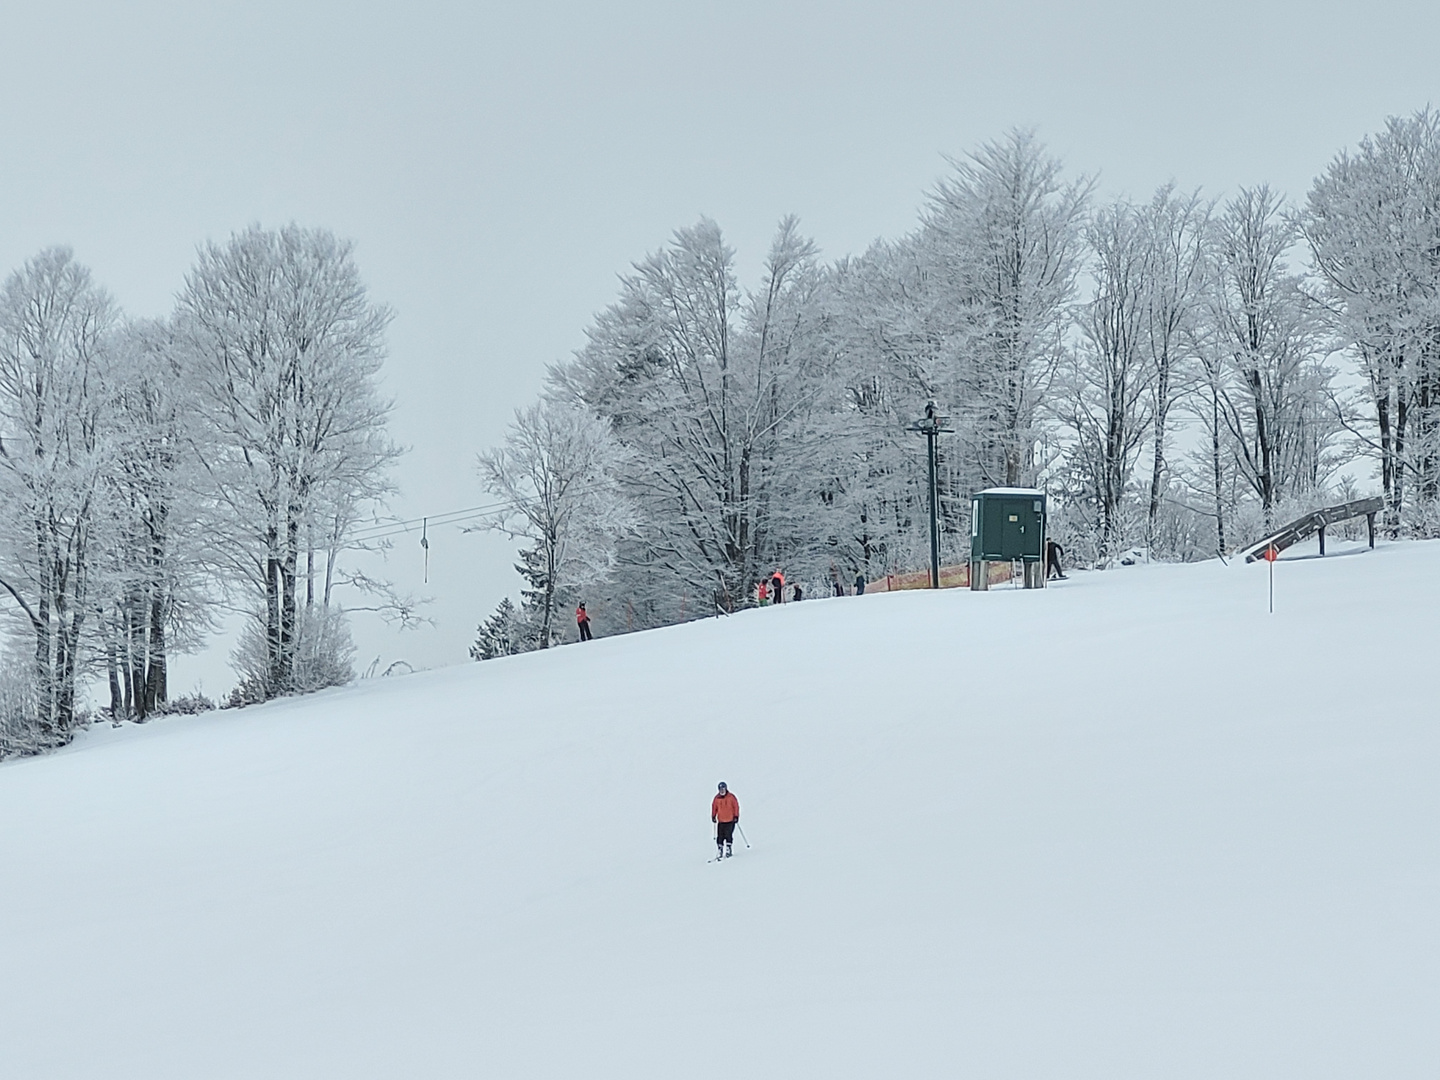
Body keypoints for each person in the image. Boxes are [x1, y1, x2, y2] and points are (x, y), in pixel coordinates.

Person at [711, 782, 740, 859]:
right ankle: (720, 850)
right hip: (721, 821)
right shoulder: (717, 798)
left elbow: (736, 806)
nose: (722, 791)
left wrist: (736, 816)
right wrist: (713, 816)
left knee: (728, 835)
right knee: (720, 836)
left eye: (723, 789)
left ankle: (728, 849)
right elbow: (714, 807)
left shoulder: (731, 797)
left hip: (730, 820)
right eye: (720, 789)